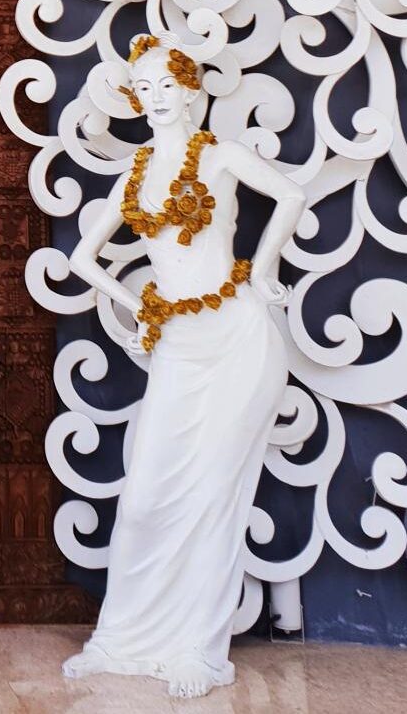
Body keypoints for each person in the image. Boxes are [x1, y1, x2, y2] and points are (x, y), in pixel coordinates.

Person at [61, 35, 305, 700]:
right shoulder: (135, 173)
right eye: (145, 89)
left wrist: (265, 268)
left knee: (214, 494)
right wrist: (133, 303)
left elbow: (289, 195)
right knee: (145, 500)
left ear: (192, 92)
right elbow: (83, 258)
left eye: (167, 85)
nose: (157, 98)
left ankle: (199, 647)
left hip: (238, 338)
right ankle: (120, 640)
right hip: (177, 342)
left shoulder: (220, 156)